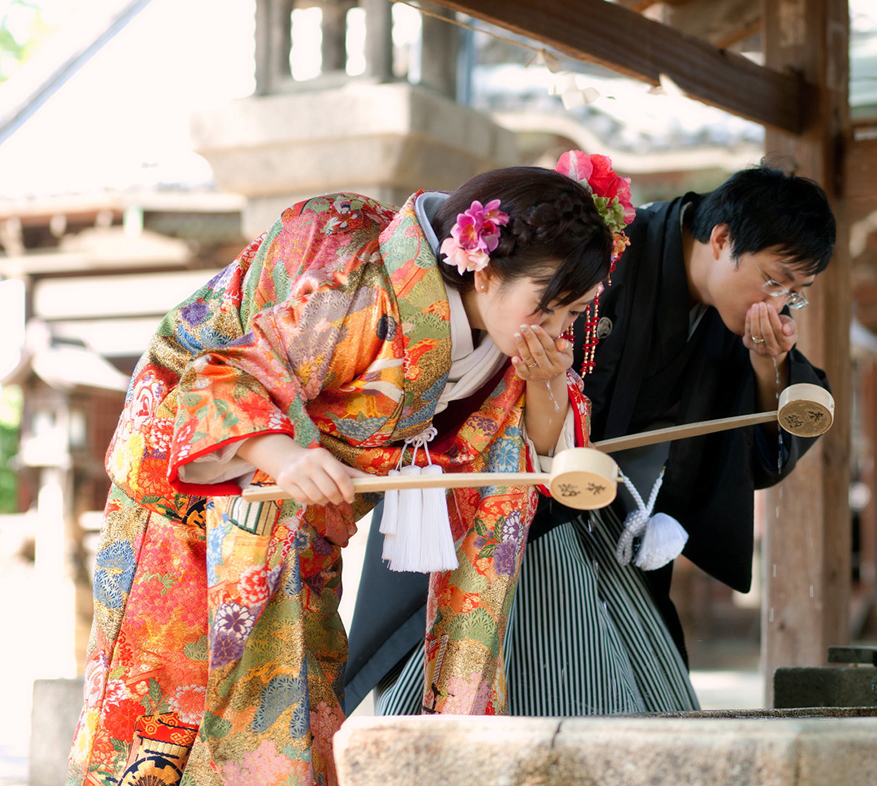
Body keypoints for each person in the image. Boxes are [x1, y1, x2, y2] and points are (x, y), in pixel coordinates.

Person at [67, 154, 631, 785]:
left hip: (298, 517)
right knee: (166, 705)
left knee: (299, 701)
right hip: (192, 493)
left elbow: (530, 454)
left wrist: (547, 379)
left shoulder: (506, 343)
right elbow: (222, 376)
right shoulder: (361, 285)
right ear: (487, 272)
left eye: (572, 313)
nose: (555, 330)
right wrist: (280, 453)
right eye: (546, 306)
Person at [352, 160, 835, 717]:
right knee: (565, 688)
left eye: (794, 294)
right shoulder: (604, 254)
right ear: (721, 239)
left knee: (656, 698)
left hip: (617, 521)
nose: (775, 305)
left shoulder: (742, 323)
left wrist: (767, 364)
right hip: (518, 498)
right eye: (774, 281)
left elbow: (770, 440)